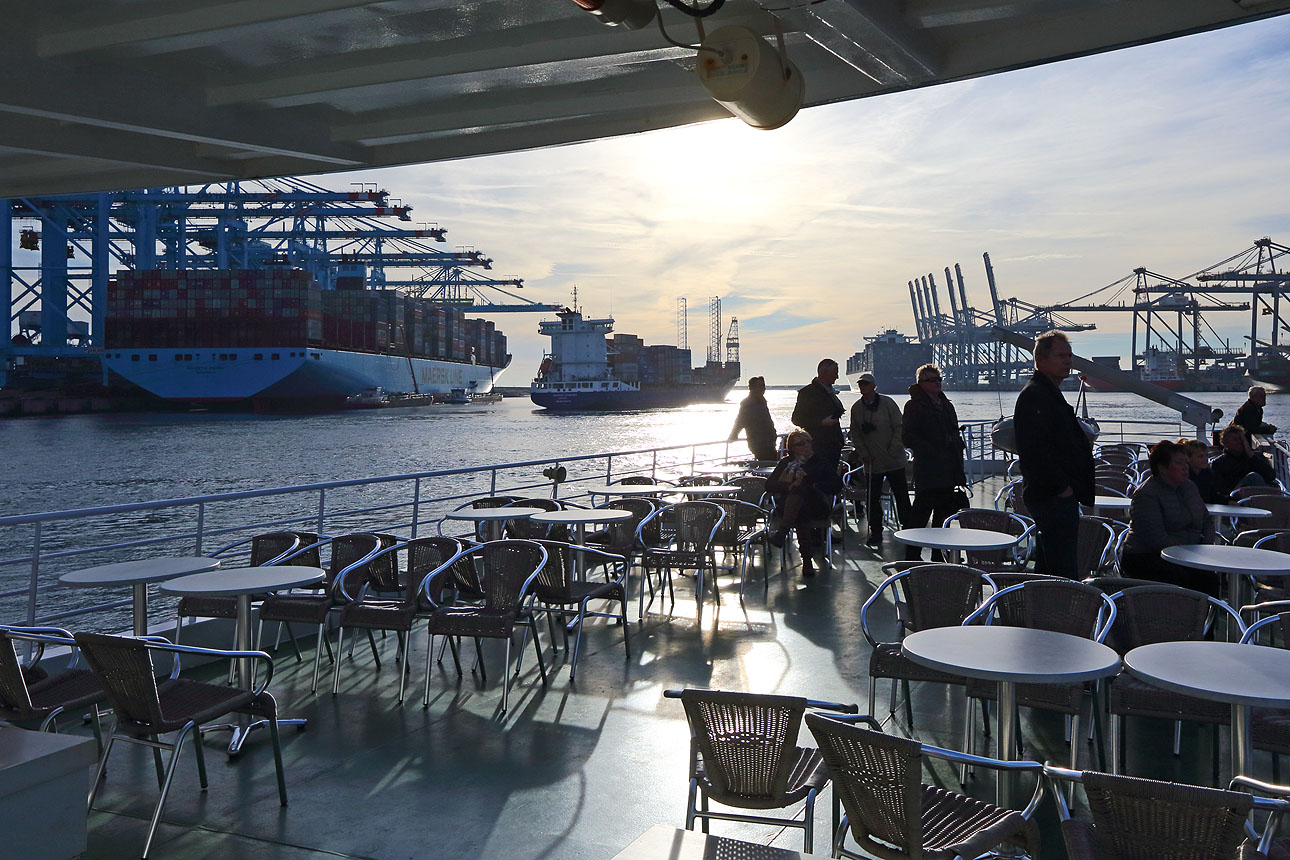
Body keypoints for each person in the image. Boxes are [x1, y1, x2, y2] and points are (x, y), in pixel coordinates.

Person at [1013, 330, 1095, 578]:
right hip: (1053, 497)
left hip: (1055, 495)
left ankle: (1041, 612)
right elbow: (1034, 450)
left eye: (1069, 355)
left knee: (1049, 567)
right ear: (1041, 359)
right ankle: (1059, 613)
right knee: (1063, 570)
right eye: (1061, 355)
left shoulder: (1046, 393)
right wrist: (1062, 488)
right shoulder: (1036, 396)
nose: (1068, 360)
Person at [1120, 440, 1218, 594]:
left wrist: (1204, 548)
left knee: (1210, 578)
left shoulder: (1190, 487)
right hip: (1146, 557)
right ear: (1162, 467)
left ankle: (1205, 617)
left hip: (1189, 553)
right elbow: (1156, 539)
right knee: (1191, 579)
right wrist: (1189, 554)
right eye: (1179, 463)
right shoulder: (1146, 494)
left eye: (1186, 462)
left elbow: (1206, 521)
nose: (1186, 467)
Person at [902, 363, 967, 560]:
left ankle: (939, 555)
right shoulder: (913, 406)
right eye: (932, 380)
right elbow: (908, 437)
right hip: (928, 469)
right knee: (920, 515)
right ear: (921, 383)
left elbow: (954, 433)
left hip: (948, 469)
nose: (937, 383)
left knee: (943, 516)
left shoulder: (947, 405)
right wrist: (932, 449)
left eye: (939, 379)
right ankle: (912, 555)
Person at [847, 372, 911, 546]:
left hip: (894, 460)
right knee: (872, 499)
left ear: (874, 386)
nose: (863, 387)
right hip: (871, 463)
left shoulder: (888, 403)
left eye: (866, 384)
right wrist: (863, 453)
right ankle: (876, 532)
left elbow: (899, 427)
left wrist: (893, 448)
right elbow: (855, 434)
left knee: (902, 496)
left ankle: (908, 529)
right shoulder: (856, 408)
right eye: (861, 384)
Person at [765, 429, 840, 577]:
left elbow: (836, 485)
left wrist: (813, 484)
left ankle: (781, 534)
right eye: (801, 443)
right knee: (799, 507)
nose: (806, 446)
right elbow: (769, 485)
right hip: (794, 510)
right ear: (792, 448)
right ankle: (807, 562)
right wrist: (789, 486)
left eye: (808, 442)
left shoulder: (820, 461)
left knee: (801, 491)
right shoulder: (786, 463)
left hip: (817, 505)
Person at [791, 358, 845, 471]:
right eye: (835, 373)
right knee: (820, 480)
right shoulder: (808, 393)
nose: (837, 376)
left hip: (833, 446)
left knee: (830, 479)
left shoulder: (830, 392)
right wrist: (821, 422)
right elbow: (796, 419)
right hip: (818, 447)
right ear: (825, 373)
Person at [1211, 424, 1275, 497]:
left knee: (1255, 477)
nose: (1239, 442)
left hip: (1257, 498)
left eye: (1241, 439)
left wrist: (1251, 456)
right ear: (1225, 443)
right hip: (1235, 499)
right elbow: (1218, 488)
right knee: (1253, 477)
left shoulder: (1255, 458)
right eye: (1234, 439)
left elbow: (1271, 476)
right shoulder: (1219, 463)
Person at [728, 376, 778, 462]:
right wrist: (734, 435)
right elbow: (740, 420)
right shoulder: (748, 403)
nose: (762, 388)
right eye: (759, 386)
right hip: (759, 443)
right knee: (768, 463)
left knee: (771, 463)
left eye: (763, 386)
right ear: (752, 388)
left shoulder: (762, 401)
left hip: (768, 442)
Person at [1179, 437, 1219, 504]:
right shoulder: (1182, 475)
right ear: (1188, 457)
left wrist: (1228, 501)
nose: (1205, 459)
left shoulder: (1209, 474)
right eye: (1200, 456)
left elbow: (1214, 495)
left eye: (1206, 455)